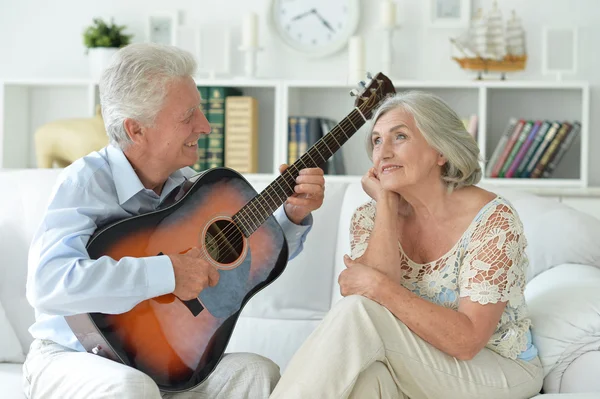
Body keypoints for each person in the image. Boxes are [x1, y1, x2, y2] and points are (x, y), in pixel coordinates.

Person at [23, 43, 325, 399]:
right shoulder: (85, 182)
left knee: (255, 373)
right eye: (189, 116)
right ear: (136, 130)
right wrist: (168, 273)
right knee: (132, 387)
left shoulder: (190, 187)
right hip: (70, 356)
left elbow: (251, 264)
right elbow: (49, 284)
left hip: (160, 365)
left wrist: (292, 215)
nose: (206, 126)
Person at [271, 91, 543, 399]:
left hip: (496, 368)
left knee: (361, 312)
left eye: (399, 137)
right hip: (419, 362)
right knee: (366, 382)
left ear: (441, 151)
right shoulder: (369, 216)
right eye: (376, 141)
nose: (383, 152)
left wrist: (380, 287)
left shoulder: (493, 220)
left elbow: (467, 342)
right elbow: (367, 298)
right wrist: (386, 203)